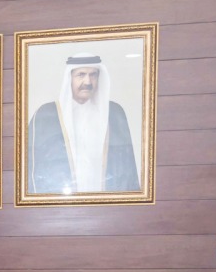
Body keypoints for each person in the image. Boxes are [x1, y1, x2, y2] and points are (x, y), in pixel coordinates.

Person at [27, 53, 139, 194]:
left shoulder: (114, 113)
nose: (88, 81)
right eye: (81, 75)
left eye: (93, 75)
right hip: (60, 203)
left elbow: (128, 167)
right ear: (70, 78)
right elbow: (32, 169)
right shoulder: (45, 115)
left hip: (106, 202)